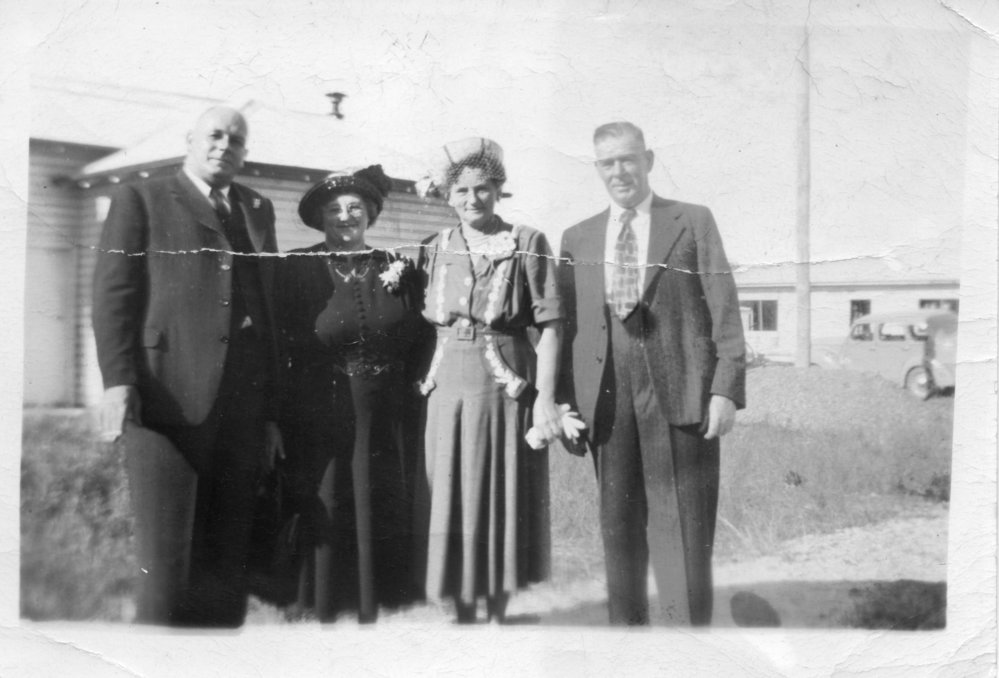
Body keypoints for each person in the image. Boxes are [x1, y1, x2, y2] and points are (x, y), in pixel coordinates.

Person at [92, 106, 285, 626]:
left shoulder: (256, 208)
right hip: (166, 398)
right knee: (168, 561)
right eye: (215, 135)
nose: (225, 145)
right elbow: (114, 294)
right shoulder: (143, 197)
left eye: (236, 139)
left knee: (228, 559)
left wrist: (269, 412)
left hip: (242, 405)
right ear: (190, 141)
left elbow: (266, 308)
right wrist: (118, 382)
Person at [557, 121, 746, 626]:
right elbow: (568, 326)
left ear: (649, 159)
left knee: (683, 529)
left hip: (682, 392)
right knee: (618, 528)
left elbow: (725, 309)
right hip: (607, 396)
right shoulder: (576, 237)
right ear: (597, 168)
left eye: (627, 159)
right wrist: (564, 405)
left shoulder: (692, 221)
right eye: (607, 162)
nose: (619, 171)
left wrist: (726, 389)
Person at [413, 138, 564, 624]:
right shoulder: (433, 247)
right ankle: (460, 607)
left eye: (483, 188)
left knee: (499, 486)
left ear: (499, 190)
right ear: (447, 194)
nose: (472, 199)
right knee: (450, 487)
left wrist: (545, 399)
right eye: (461, 190)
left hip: (503, 382)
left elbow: (552, 325)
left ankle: (499, 607)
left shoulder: (527, 241)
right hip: (445, 385)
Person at [277, 166, 427, 623]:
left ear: (371, 214)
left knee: (382, 496)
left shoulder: (396, 267)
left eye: (355, 208)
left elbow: (422, 337)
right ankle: (325, 599)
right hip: (323, 409)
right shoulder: (297, 267)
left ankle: (384, 597)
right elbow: (280, 343)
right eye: (335, 210)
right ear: (321, 218)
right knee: (332, 497)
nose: (346, 216)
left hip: (388, 412)